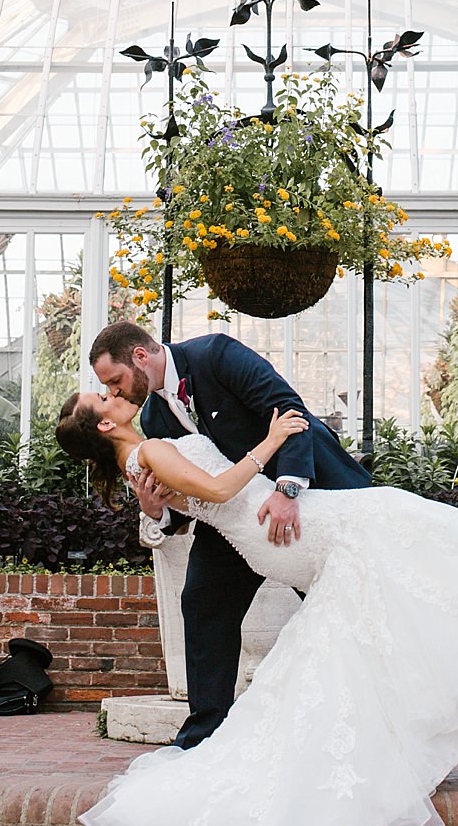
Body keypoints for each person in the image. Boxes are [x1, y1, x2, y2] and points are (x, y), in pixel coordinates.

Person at [55, 361, 458, 826]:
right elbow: (219, 490)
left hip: (267, 527)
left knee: (356, 617)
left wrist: (165, 507)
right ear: (102, 424)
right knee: (395, 518)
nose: (110, 392)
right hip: (268, 524)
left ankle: (375, 743)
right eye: (103, 394)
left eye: (110, 383)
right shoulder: (152, 445)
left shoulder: (156, 431)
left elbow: (190, 495)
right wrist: (270, 443)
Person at [87, 321, 371, 750]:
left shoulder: (216, 354)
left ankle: (370, 723)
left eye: (116, 380)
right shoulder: (152, 415)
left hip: (311, 494)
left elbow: (288, 409)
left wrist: (288, 489)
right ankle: (204, 738)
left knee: (343, 609)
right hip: (237, 520)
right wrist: (157, 511)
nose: (118, 392)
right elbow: (192, 490)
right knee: (202, 602)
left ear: (140, 357)